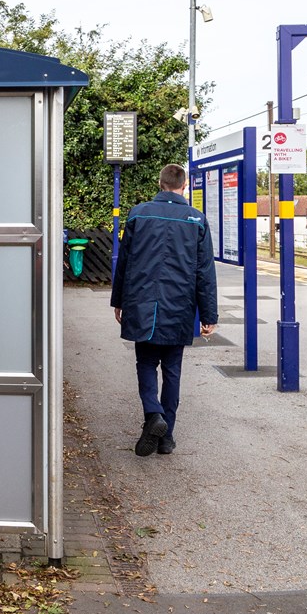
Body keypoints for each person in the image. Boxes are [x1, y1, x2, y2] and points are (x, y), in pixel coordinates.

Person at [110, 163, 218, 457]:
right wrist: (209, 316)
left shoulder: (138, 214)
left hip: (142, 303)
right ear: (184, 187)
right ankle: (166, 437)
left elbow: (124, 263)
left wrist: (117, 300)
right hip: (180, 307)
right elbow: (205, 272)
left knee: (145, 364)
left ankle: (153, 415)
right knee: (172, 371)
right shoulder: (197, 220)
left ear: (160, 184)